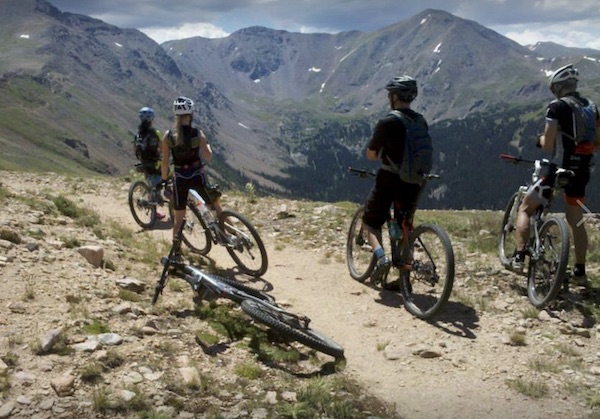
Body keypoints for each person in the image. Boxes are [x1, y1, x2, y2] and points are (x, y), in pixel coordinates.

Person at [512, 64, 600, 284]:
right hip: (581, 169)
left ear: (558, 88)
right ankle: (580, 271)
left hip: (557, 168)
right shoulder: (591, 106)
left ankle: (519, 256)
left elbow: (548, 144)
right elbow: (598, 141)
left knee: (526, 207)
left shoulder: (556, 107)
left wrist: (539, 139)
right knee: (576, 220)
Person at [363, 76, 430, 286]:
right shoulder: (420, 120)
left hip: (389, 178)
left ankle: (381, 258)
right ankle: (404, 279)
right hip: (414, 181)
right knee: (404, 226)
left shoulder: (388, 121)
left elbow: (371, 154)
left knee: (370, 223)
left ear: (393, 97)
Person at [160, 96, 223, 243]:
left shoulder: (168, 136)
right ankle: (231, 233)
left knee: (179, 218)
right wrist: (209, 147)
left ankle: (176, 252)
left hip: (180, 179)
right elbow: (208, 157)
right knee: (215, 206)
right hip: (197, 177)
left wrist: (164, 179)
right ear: (191, 114)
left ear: (176, 115)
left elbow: (164, 162)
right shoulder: (198, 134)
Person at [134, 106, 165, 220]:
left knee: (151, 184)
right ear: (152, 119)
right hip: (155, 164)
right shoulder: (155, 132)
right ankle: (159, 202)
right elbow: (162, 148)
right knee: (168, 179)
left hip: (143, 164)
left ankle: (154, 207)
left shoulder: (138, 134)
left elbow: (135, 150)